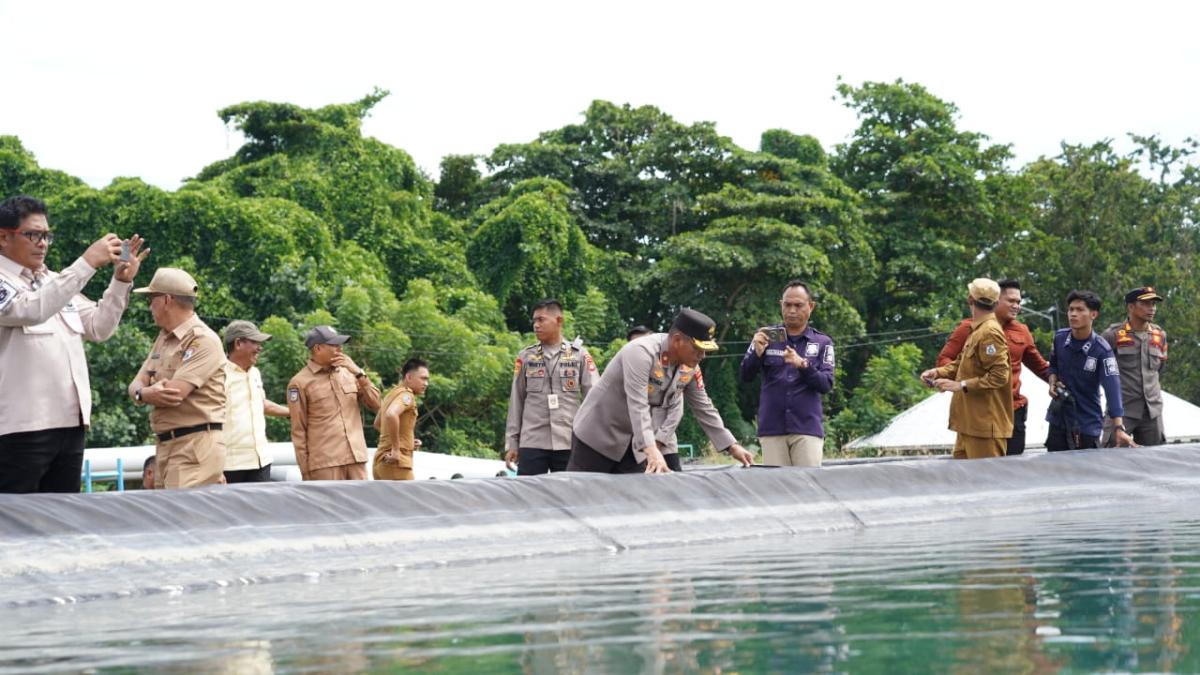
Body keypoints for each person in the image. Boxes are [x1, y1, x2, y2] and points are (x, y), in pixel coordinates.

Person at [0, 195, 148, 493]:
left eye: (46, 236)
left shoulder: (53, 281)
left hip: (70, 427)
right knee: (13, 527)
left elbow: (98, 327)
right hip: (19, 428)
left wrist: (120, 282)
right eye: (32, 235)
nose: (42, 243)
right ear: (3, 237)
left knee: (60, 529)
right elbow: (31, 310)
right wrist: (87, 262)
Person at [568, 308, 754, 473]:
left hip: (634, 444)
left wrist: (732, 446)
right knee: (582, 501)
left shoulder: (690, 367)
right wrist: (652, 450)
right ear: (677, 340)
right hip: (596, 437)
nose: (702, 355)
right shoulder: (640, 353)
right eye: (697, 348)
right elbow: (637, 405)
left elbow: (704, 407)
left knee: (633, 504)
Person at [127, 268, 228, 488]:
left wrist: (142, 393)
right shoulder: (164, 338)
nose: (149, 306)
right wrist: (143, 392)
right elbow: (135, 385)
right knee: (169, 518)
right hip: (168, 446)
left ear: (166, 300)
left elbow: (173, 394)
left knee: (185, 520)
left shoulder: (203, 340)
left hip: (194, 446)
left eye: (151, 299)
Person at [936, 279, 1051, 455]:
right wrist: (951, 381)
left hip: (1012, 409)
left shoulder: (1021, 331)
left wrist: (1060, 381)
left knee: (1006, 473)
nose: (1016, 306)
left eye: (1019, 302)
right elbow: (949, 359)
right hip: (979, 411)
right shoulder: (970, 328)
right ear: (996, 301)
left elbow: (1041, 367)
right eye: (1011, 301)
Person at [740, 280, 834, 467]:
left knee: (808, 487)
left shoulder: (823, 342)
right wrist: (756, 354)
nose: (792, 310)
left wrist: (803, 365)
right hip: (772, 429)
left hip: (806, 429)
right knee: (776, 491)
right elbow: (745, 376)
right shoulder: (766, 336)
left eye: (798, 305)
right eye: (787, 305)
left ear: (811, 306)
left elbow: (826, 384)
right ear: (780, 305)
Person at [920, 278, 1013, 459]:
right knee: (964, 485)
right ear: (995, 303)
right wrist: (938, 372)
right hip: (968, 425)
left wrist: (960, 385)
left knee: (985, 485)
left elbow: (1000, 375)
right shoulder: (977, 330)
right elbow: (961, 363)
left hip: (984, 429)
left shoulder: (989, 332)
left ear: (970, 299)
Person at [504, 299, 598, 475]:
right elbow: (516, 401)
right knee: (529, 497)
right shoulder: (526, 357)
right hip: (532, 441)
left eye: (541, 320)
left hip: (568, 440)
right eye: (534, 321)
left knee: (567, 497)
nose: (536, 325)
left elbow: (595, 399)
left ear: (559, 321)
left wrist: (591, 441)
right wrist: (512, 443)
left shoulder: (579, 355)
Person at [286, 325, 381, 480]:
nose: (340, 349)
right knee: (328, 505)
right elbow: (298, 430)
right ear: (317, 348)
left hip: (356, 459)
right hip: (325, 464)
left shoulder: (350, 374)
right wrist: (305, 471)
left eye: (340, 345)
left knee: (360, 504)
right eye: (334, 345)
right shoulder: (299, 383)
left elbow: (377, 404)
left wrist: (359, 373)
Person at [1045, 290, 1135, 451]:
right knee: (1053, 472)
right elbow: (1053, 366)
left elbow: (1112, 389)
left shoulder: (1102, 350)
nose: (1073, 314)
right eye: (1071, 309)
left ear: (1093, 314)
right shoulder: (1059, 338)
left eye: (1080, 310)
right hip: (1058, 420)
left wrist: (1118, 427)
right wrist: (1052, 382)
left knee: (1084, 474)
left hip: (1086, 425)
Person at [221, 320, 289, 484]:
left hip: (261, 460)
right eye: (255, 342)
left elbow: (261, 403)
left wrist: (291, 413)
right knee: (232, 509)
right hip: (231, 464)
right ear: (238, 343)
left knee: (261, 509)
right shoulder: (218, 374)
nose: (260, 348)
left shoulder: (255, 373)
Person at [1100, 287, 1168, 447]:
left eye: (1153, 304)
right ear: (1131, 306)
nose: (1151, 308)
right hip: (1121, 411)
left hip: (1152, 412)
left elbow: (1160, 369)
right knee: (1109, 459)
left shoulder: (1160, 335)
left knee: (1156, 462)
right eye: (1145, 303)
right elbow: (1100, 371)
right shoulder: (1113, 335)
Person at [374, 358, 430, 481]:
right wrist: (395, 449)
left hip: (380, 461)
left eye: (427, 380)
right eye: (423, 378)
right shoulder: (407, 395)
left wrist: (406, 440)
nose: (426, 384)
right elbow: (391, 414)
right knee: (411, 499)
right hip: (396, 462)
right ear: (409, 377)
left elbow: (378, 424)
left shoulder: (391, 394)